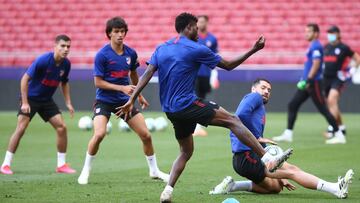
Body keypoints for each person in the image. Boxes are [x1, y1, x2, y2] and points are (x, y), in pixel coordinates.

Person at [116, 13, 293, 203]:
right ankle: (267, 158)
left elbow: (147, 74)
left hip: (170, 110)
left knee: (186, 151)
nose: (199, 31)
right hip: (187, 103)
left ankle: (167, 190)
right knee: (233, 120)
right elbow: (228, 65)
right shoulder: (196, 48)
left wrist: (131, 99)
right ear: (188, 28)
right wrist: (253, 49)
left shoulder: (162, 48)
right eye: (196, 27)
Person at [209, 78, 354, 199]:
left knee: (276, 187)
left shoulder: (258, 105)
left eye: (269, 90)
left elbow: (250, 132)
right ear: (253, 89)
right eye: (263, 87)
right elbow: (240, 115)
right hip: (246, 158)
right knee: (292, 172)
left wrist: (279, 175)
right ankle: (335, 188)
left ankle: (232, 185)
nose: (266, 91)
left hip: (251, 156)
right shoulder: (254, 97)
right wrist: (258, 137)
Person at [77, 17, 169, 185]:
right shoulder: (102, 55)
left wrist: (138, 95)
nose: (120, 35)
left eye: (122, 31)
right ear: (109, 34)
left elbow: (134, 75)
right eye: (116, 32)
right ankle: (86, 170)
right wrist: (122, 88)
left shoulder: (131, 53)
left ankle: (154, 171)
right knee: (99, 134)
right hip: (104, 101)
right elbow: (98, 82)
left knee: (146, 135)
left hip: (124, 102)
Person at [0, 35, 76, 175]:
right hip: (31, 98)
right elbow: (24, 79)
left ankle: (61, 165)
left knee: (61, 127)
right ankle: (5, 165)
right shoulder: (43, 60)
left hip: (46, 100)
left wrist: (68, 102)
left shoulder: (66, 64)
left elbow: (64, 82)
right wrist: (24, 102)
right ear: (55, 46)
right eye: (63, 46)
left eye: (68, 47)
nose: (66, 49)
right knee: (21, 128)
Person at [273, 23, 344, 144]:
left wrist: (309, 79)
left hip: (313, 82)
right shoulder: (313, 46)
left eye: (309, 31)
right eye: (305, 31)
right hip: (307, 83)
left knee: (323, 109)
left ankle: (339, 135)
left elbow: (316, 63)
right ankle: (288, 133)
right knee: (292, 105)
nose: (306, 33)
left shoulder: (316, 46)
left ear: (316, 33)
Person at [322, 25, 360, 143]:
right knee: (331, 105)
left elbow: (357, 58)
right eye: (329, 33)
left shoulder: (343, 48)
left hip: (338, 78)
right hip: (326, 78)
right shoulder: (326, 47)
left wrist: (353, 69)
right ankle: (341, 128)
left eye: (332, 33)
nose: (330, 35)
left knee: (332, 101)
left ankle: (333, 130)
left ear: (338, 34)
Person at [193, 15, 220, 137]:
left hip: (206, 73)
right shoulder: (193, 37)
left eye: (203, 21)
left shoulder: (212, 39)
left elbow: (215, 57)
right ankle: (194, 126)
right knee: (195, 98)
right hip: (194, 73)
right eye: (198, 22)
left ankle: (197, 125)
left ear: (207, 23)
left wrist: (214, 74)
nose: (200, 24)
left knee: (202, 98)